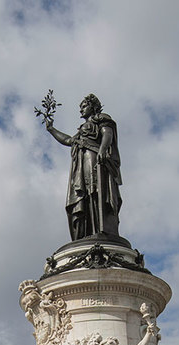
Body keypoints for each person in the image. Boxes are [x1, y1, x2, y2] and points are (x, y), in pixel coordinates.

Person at [42, 93, 122, 240]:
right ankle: (88, 231)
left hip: (94, 158)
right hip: (81, 164)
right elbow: (68, 140)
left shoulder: (101, 118)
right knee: (84, 195)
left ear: (93, 106)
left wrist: (103, 149)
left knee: (96, 190)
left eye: (84, 106)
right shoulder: (80, 133)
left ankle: (101, 229)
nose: (81, 110)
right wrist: (51, 129)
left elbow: (107, 134)